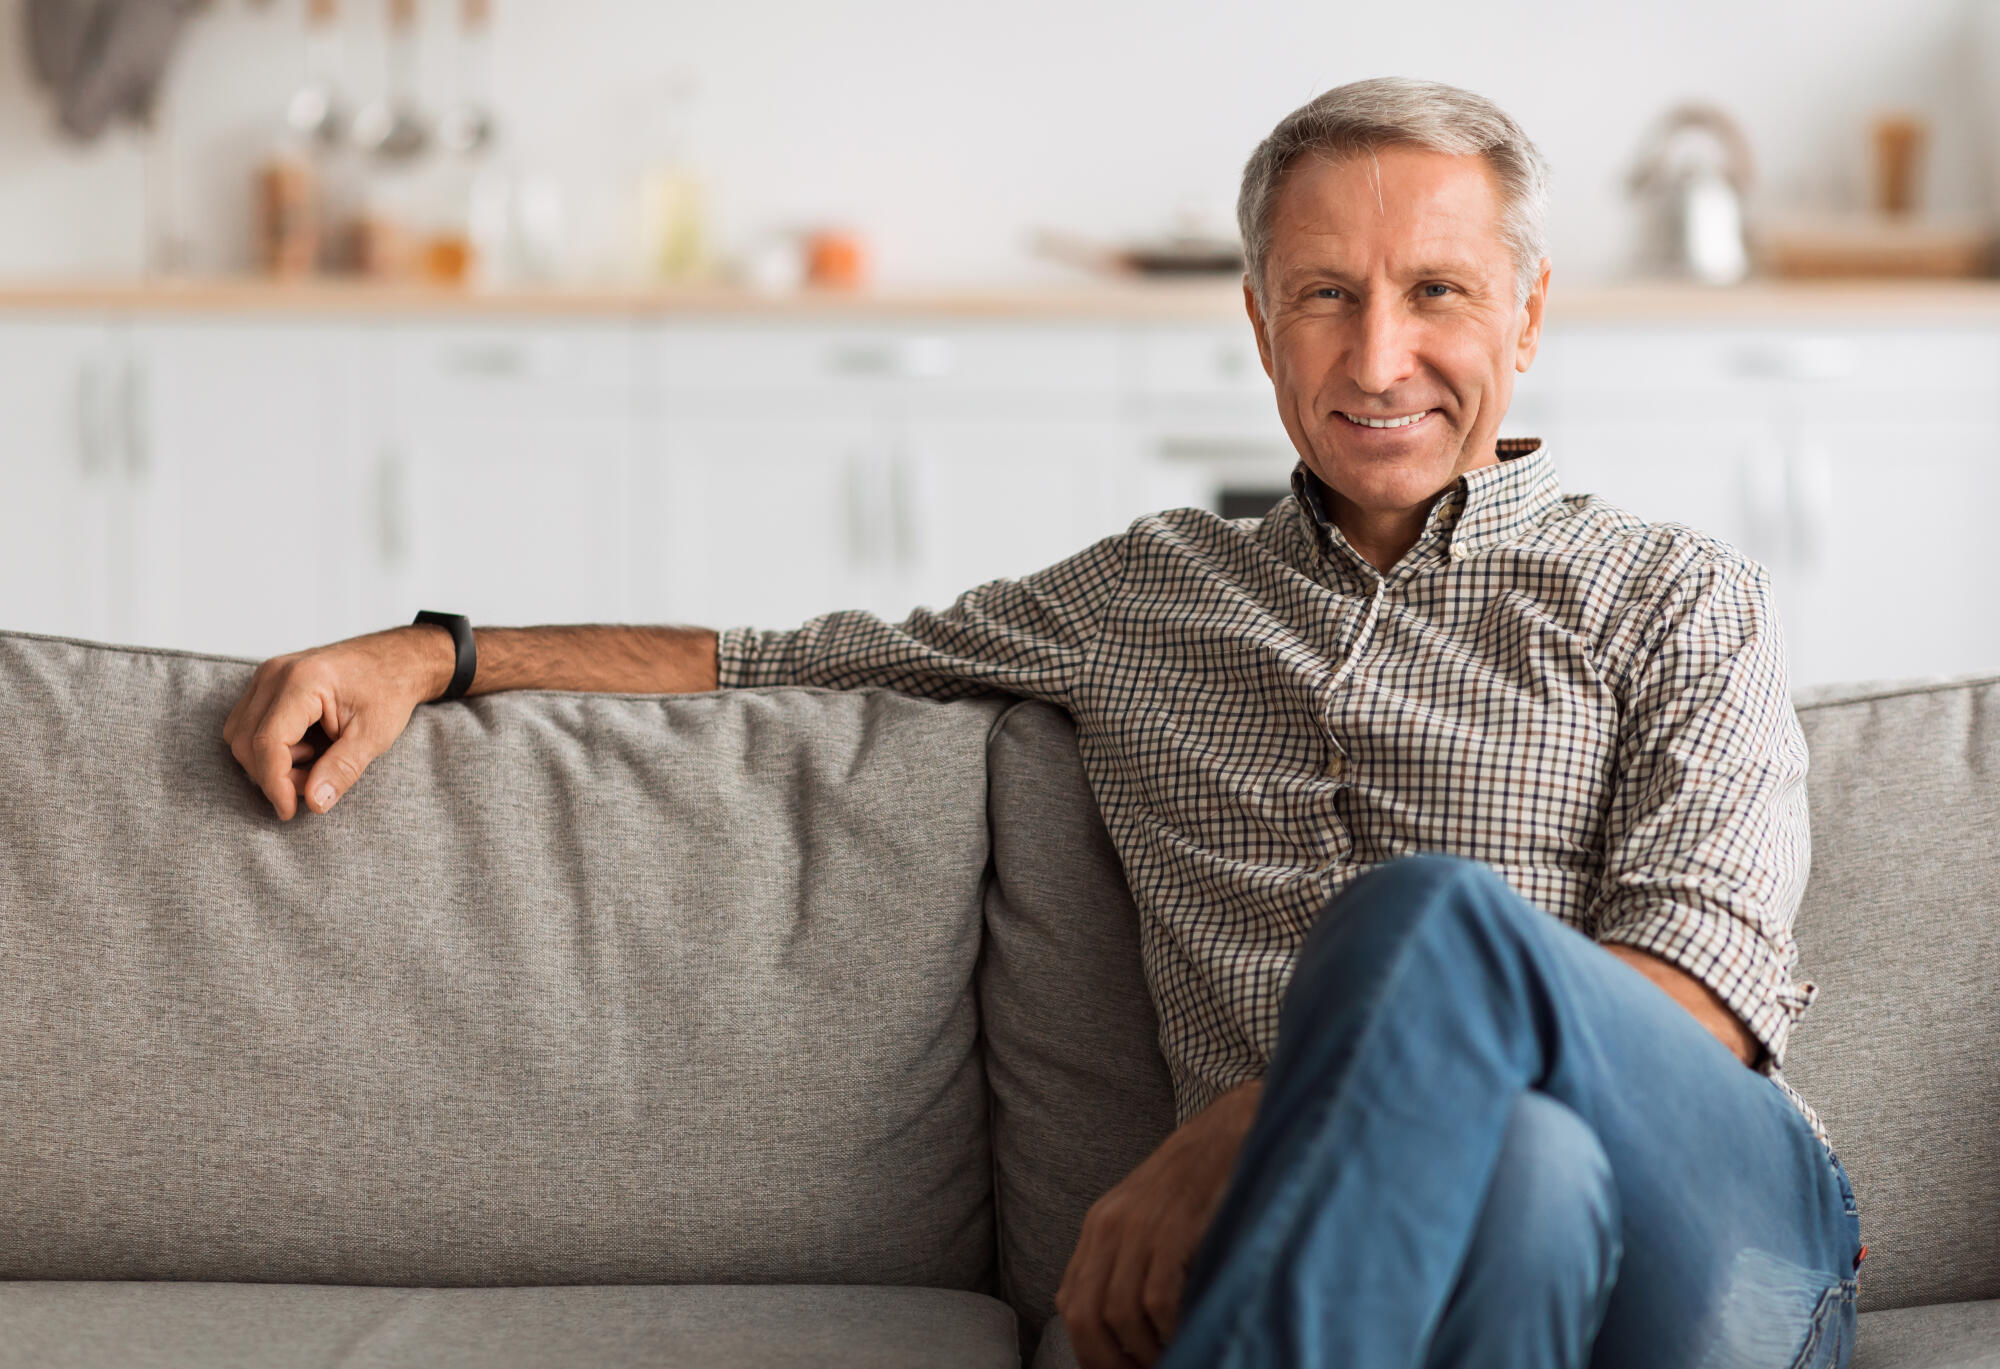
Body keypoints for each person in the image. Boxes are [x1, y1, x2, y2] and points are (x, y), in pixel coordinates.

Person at [223, 77, 1862, 1369]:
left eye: (1437, 291)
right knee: (1517, 1177)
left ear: (1526, 312)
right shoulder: (1145, 595)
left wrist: (1255, 1109)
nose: (1381, 356)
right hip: (1418, 1253)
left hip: (1722, 1244)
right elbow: (795, 659)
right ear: (1255, 320)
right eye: (1323, 295)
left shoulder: (1671, 594)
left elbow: (1697, 995)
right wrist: (436, 650)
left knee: (1427, 925)